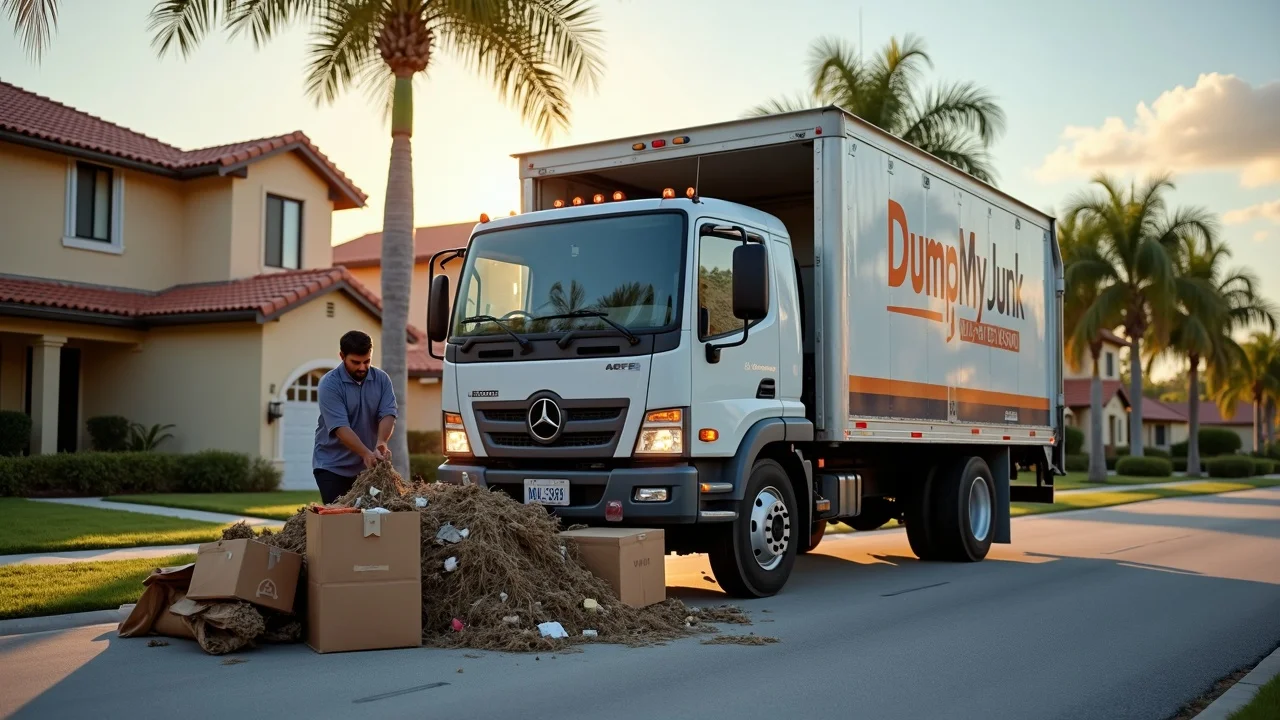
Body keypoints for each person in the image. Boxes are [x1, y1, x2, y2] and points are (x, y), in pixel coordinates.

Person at [312, 330, 398, 504]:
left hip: (366, 467)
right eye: (356, 362)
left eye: (367, 361)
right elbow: (340, 427)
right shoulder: (329, 384)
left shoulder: (382, 380)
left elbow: (388, 414)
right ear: (342, 356)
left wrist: (381, 442)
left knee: (371, 520)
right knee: (340, 519)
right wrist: (365, 453)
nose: (362, 367)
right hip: (332, 466)